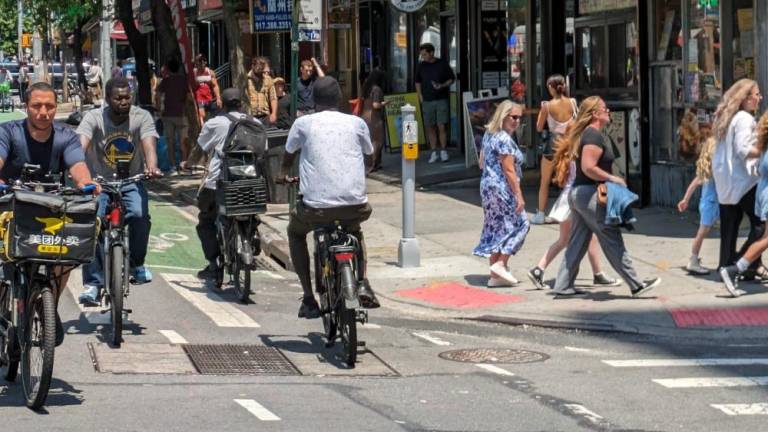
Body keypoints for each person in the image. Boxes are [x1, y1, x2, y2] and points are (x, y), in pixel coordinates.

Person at [0, 81, 98, 345]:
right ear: (26, 107)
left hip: (50, 208)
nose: (43, 112)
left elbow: (78, 166)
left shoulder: (66, 136)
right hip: (11, 206)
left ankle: (48, 307)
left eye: (49, 106)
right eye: (36, 106)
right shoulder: (8, 132)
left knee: (66, 253)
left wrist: (85, 184)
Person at [278, 76, 379, 319]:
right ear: (339, 99)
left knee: (295, 232)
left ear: (313, 99)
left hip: (316, 208)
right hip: (355, 205)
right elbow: (370, 157)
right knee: (354, 231)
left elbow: (288, 155)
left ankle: (309, 298)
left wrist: (282, 174)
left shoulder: (303, 124)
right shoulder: (356, 123)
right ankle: (362, 281)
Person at [551, 97, 660, 297]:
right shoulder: (593, 136)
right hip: (589, 194)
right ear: (595, 114)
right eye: (604, 108)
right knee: (611, 236)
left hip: (579, 195)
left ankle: (563, 285)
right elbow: (588, 167)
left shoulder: (588, 134)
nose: (608, 110)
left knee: (577, 241)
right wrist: (613, 178)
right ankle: (636, 284)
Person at [76, 77, 161, 305]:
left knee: (140, 215)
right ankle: (93, 283)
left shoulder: (141, 116)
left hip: (131, 180)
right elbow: (80, 145)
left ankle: (136, 265)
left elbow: (149, 144)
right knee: (92, 221)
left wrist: (152, 166)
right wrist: (76, 168)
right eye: (118, 98)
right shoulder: (94, 117)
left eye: (127, 97)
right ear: (107, 98)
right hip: (99, 182)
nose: (124, 102)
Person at [527, 139, 621, 290]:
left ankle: (539, 269)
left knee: (568, 240)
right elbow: (590, 172)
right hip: (575, 199)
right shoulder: (581, 153)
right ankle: (598, 275)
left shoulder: (571, 152)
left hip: (567, 198)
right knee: (583, 238)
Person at [194, 88, 254, 279]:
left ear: (223, 105)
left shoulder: (214, 123)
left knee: (205, 219)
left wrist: (188, 163)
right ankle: (252, 238)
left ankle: (213, 263)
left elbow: (200, 148)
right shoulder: (255, 123)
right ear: (242, 103)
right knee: (252, 213)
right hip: (249, 181)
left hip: (218, 181)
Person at [472, 101, 529, 286]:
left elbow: (481, 162)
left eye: (520, 117)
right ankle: (501, 264)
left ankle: (495, 276)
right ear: (503, 116)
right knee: (521, 224)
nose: (517, 121)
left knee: (497, 228)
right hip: (502, 188)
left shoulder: (489, 134)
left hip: (488, 187)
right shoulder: (503, 139)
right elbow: (509, 170)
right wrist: (519, 195)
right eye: (513, 117)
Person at [711, 79, 763, 279]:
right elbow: (743, 149)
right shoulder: (744, 118)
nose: (759, 98)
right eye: (757, 94)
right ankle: (741, 263)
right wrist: (761, 150)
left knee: (730, 225)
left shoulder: (727, 117)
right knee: (761, 225)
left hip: (726, 181)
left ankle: (727, 265)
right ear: (746, 98)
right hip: (743, 181)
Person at [531, 75, 578, 225]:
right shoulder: (572, 102)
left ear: (551, 88)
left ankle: (540, 213)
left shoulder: (547, 106)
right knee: (570, 179)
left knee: (545, 181)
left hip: (553, 144)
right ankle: (569, 211)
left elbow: (539, 127)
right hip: (569, 144)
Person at [676, 138, 718, 275]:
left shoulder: (706, 169)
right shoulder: (713, 168)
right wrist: (685, 200)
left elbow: (693, 185)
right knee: (701, 233)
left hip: (708, 203)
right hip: (710, 204)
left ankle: (694, 259)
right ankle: (693, 260)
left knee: (703, 232)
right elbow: (694, 184)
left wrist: (685, 200)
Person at [415, 43, 455, 163]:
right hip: (427, 100)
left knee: (441, 125)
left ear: (432, 53)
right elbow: (417, 81)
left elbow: (451, 79)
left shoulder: (442, 64)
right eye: (422, 55)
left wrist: (442, 85)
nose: (423, 57)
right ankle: (433, 152)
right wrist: (420, 96)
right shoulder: (421, 66)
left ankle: (443, 151)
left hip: (441, 99)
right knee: (430, 126)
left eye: (425, 54)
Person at [155, 58, 189, 176]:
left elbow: (157, 95)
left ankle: (173, 166)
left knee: (170, 141)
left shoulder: (165, 81)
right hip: (182, 114)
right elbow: (189, 97)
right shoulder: (184, 81)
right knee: (183, 141)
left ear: (168, 69)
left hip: (168, 114)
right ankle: (184, 164)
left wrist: (159, 108)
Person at [360, 70, 387, 172]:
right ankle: (373, 164)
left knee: (369, 140)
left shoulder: (366, 87)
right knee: (377, 141)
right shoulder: (377, 89)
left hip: (365, 116)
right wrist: (385, 103)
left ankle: (373, 163)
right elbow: (376, 105)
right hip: (374, 117)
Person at [245, 57, 278, 125]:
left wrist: (274, 114)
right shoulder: (245, 80)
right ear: (253, 66)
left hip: (265, 116)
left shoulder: (268, 79)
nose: (262, 73)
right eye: (259, 70)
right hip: (250, 116)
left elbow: (273, 97)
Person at [193, 54, 221, 126]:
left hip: (209, 99)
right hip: (199, 99)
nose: (202, 62)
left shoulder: (210, 72)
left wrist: (218, 98)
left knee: (213, 118)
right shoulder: (193, 73)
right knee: (202, 117)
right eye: (199, 61)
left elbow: (215, 86)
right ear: (196, 62)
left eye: (203, 60)